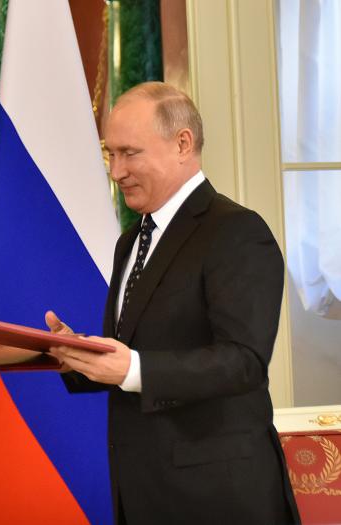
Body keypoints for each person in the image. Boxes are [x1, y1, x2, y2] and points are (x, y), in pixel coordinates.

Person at [46, 81, 300, 525]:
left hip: (219, 501)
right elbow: (142, 351)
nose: (116, 171)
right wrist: (84, 358)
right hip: (143, 494)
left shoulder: (237, 232)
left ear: (183, 144)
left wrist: (130, 368)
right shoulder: (131, 242)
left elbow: (243, 361)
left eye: (129, 152)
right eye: (110, 153)